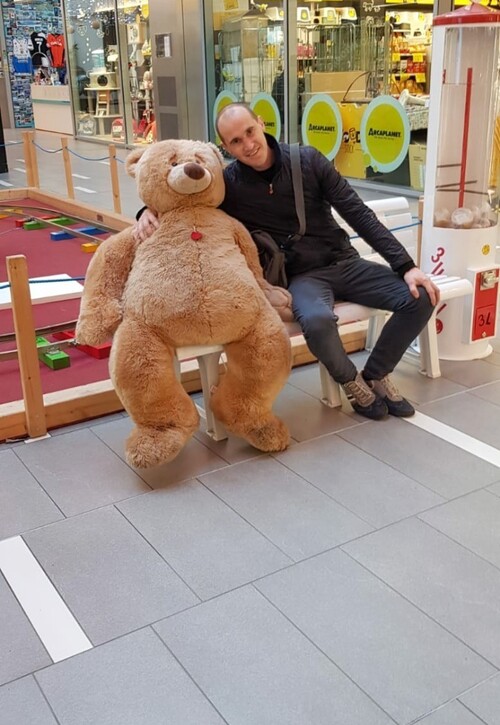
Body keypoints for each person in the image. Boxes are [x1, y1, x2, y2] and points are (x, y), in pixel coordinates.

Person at [135, 103, 439, 420]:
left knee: (420, 297)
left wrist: (406, 266)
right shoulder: (229, 185)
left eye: (249, 132)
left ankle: (375, 374)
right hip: (302, 277)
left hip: (343, 261)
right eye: (236, 141)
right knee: (317, 321)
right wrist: (147, 211)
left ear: (261, 123)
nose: (248, 144)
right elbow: (188, 203)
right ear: (225, 147)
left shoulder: (308, 161)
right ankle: (351, 381)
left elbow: (358, 213)